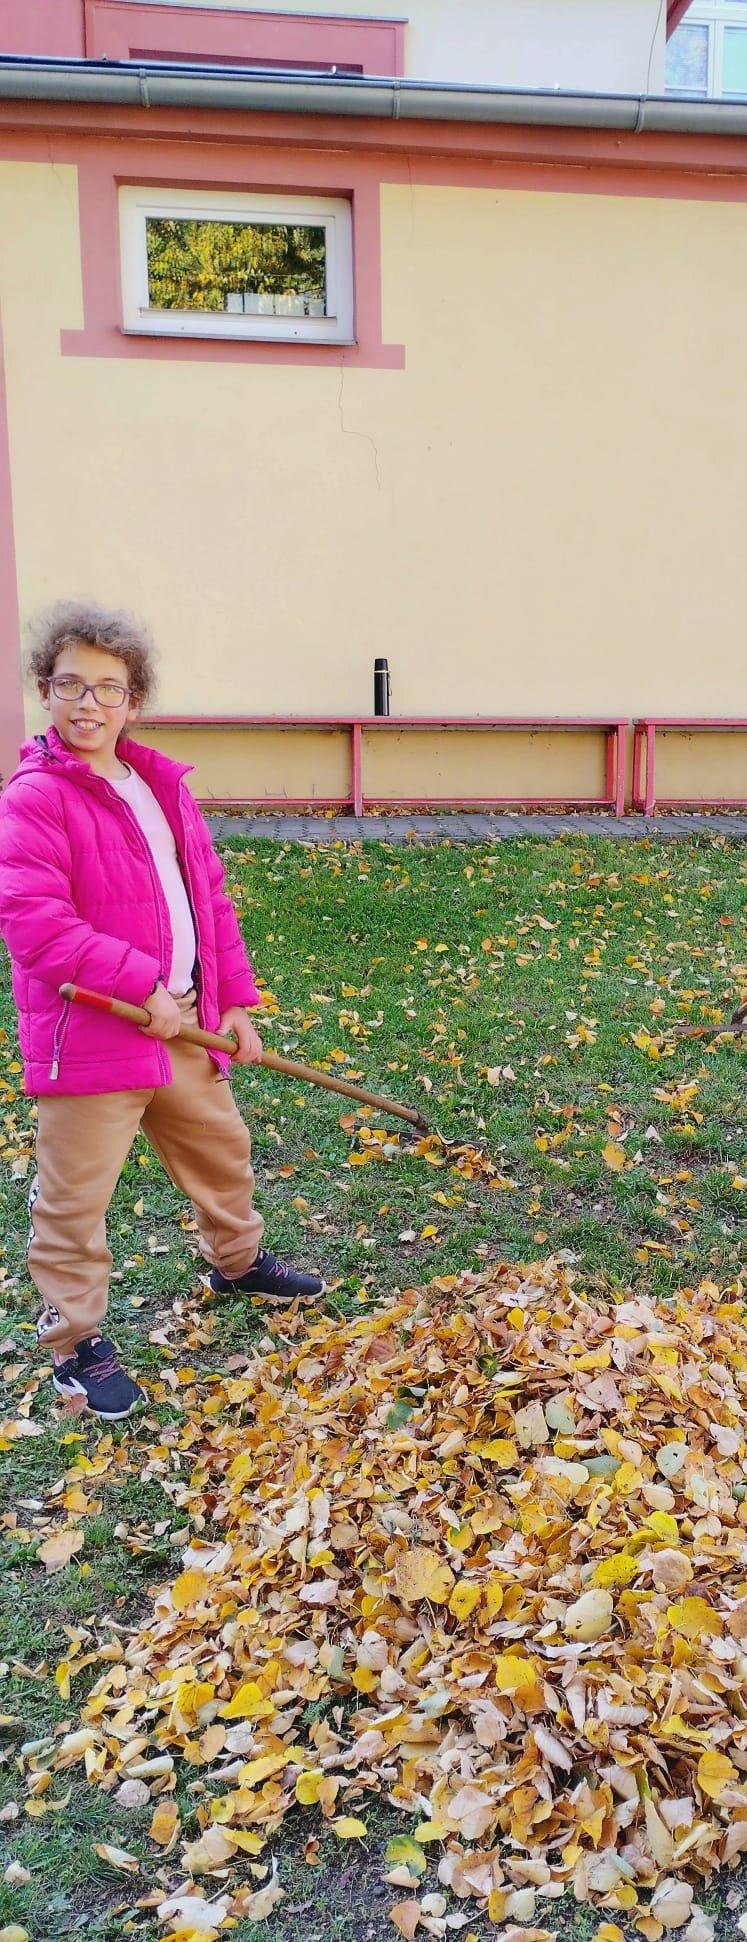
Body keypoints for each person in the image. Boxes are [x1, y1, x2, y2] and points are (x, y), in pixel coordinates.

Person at [0, 601, 326, 1419]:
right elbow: (35, 921)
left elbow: (208, 899)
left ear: (133, 700)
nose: (88, 704)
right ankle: (76, 1344)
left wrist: (235, 1000)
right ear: (45, 690)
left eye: (107, 688)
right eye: (70, 684)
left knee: (222, 1151)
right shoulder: (36, 796)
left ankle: (237, 1263)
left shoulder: (159, 786)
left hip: (182, 1022)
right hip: (92, 1033)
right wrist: (138, 984)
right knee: (74, 1201)